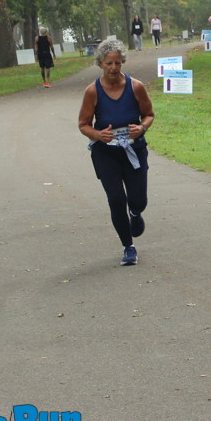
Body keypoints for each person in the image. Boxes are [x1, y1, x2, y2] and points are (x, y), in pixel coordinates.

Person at [78, 41, 155, 266]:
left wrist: (141, 128)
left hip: (134, 150)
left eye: (118, 63)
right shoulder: (93, 91)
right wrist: (97, 135)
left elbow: (149, 114)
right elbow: (83, 124)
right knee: (116, 199)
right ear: (100, 63)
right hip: (106, 153)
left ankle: (135, 213)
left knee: (138, 200)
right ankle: (128, 247)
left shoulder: (136, 86)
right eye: (109, 63)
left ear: (122, 63)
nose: (113, 68)